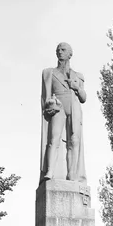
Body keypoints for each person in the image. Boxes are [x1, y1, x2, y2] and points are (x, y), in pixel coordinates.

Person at [40, 42, 88, 184]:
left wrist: (77, 88)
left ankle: (72, 174)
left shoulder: (77, 76)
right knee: (53, 139)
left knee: (74, 141)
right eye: (58, 50)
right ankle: (50, 171)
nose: (60, 52)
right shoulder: (49, 73)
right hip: (58, 107)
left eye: (63, 50)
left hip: (74, 108)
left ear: (70, 54)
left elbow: (83, 98)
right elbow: (45, 97)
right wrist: (51, 103)